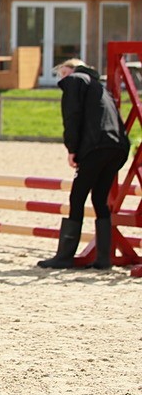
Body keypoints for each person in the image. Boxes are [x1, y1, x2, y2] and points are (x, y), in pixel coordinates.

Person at [37, 58, 129, 269]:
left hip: (95, 146)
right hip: (117, 147)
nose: (61, 79)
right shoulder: (100, 86)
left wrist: (72, 149)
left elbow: (72, 116)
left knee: (77, 196)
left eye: (62, 73)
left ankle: (64, 256)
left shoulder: (75, 80)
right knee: (99, 198)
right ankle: (104, 259)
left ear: (70, 69)